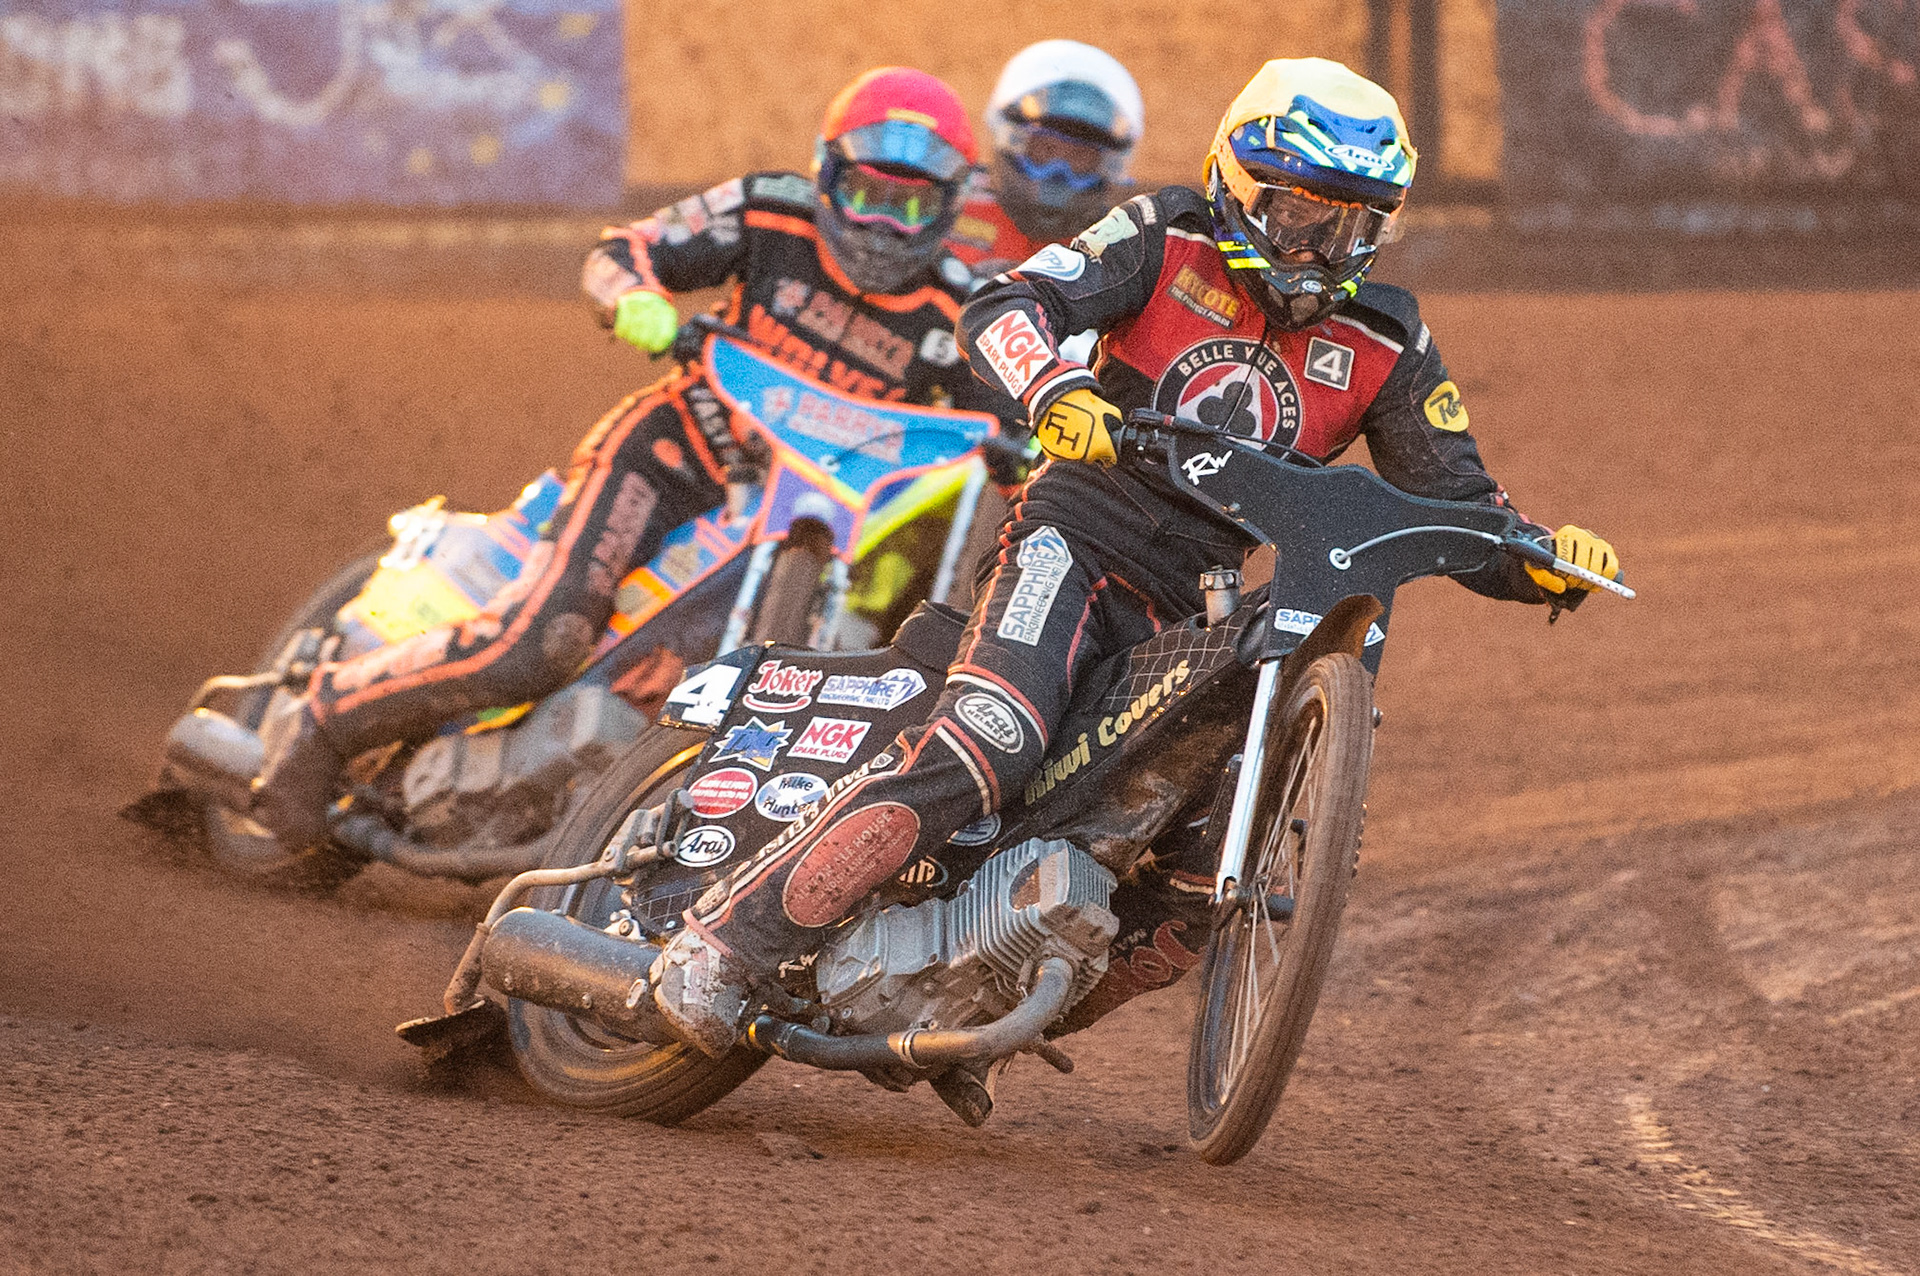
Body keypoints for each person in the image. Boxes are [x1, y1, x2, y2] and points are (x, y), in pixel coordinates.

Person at [648, 57, 1622, 1064]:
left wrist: (1541, 558)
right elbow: (1006, 305)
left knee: (1189, 882)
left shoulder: (1388, 338)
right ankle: (724, 943)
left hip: (1190, 607)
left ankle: (974, 1013)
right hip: (1071, 539)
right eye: (1299, 214)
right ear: (1238, 188)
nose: (1322, 247)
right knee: (991, 738)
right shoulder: (1164, 237)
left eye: (1352, 224)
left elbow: (1458, 500)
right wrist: (1056, 395)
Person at [250, 67, 1015, 850]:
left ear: (952, 207)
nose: (885, 226)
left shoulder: (959, 305)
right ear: (826, 175)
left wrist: (1034, 441)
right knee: (540, 644)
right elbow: (626, 248)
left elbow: (1014, 409)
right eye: (868, 196)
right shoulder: (769, 210)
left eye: (914, 206)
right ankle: (324, 720)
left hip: (807, 529)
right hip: (674, 460)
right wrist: (639, 303)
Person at [946, 39, 1144, 277]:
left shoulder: (1120, 251)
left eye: (1079, 157)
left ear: (1107, 166)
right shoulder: (947, 207)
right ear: (1009, 140)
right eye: (1047, 149)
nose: (1059, 173)